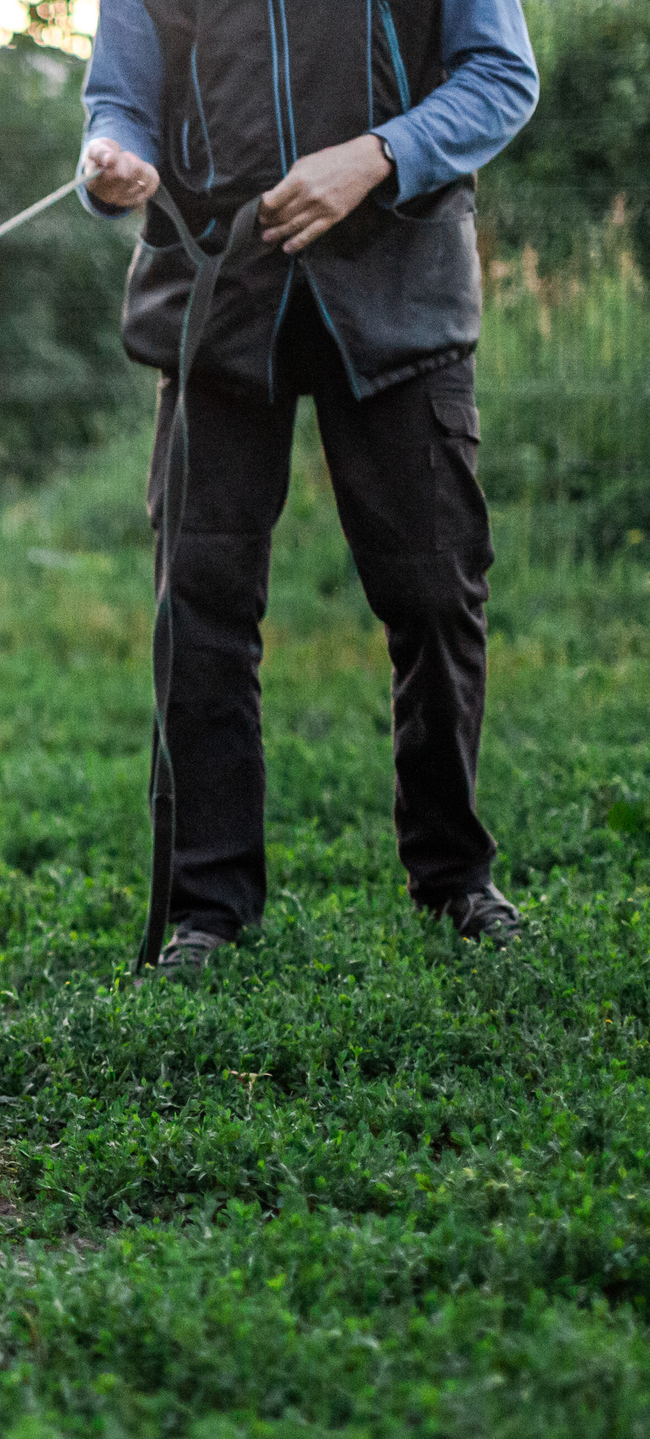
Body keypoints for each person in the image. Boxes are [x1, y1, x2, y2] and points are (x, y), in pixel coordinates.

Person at [79, 1, 540, 975]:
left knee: (432, 593)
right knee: (200, 604)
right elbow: (119, 101)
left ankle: (453, 876)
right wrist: (112, 158)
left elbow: (500, 79)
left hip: (396, 285)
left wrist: (374, 153)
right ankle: (210, 907)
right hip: (213, 291)